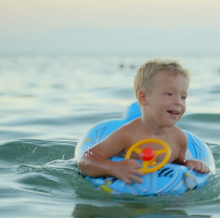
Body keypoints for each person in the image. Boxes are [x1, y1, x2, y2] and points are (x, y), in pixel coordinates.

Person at [77, 59, 210, 184]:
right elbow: (86, 160)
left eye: (183, 97)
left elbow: (177, 169)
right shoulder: (128, 134)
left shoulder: (179, 139)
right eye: (169, 94)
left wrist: (190, 165)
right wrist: (114, 168)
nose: (178, 102)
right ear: (143, 97)